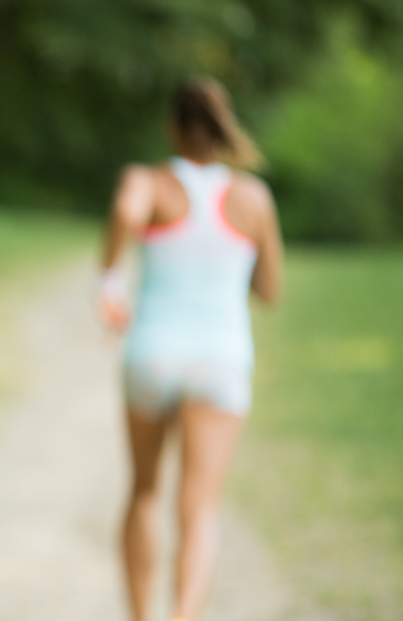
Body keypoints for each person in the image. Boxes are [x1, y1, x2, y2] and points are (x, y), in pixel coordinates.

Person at [98, 77, 284, 621]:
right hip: (221, 360)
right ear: (225, 130)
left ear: (172, 128)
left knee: (144, 493)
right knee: (199, 510)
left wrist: (109, 282)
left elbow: (127, 211)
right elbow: (270, 291)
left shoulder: (148, 180)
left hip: (152, 353)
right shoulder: (253, 198)